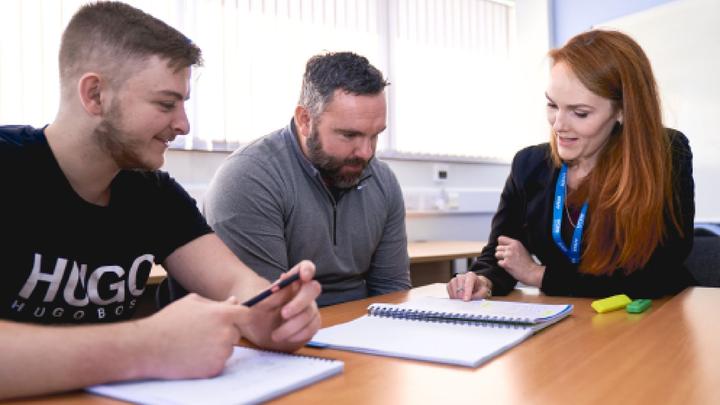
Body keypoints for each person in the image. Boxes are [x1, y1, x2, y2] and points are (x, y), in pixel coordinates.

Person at [0, 2, 321, 400]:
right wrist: (147, 344)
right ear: (95, 94)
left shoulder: (153, 192)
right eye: (166, 104)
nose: (183, 124)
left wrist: (272, 316)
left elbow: (237, 284)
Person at [448, 29, 695, 300]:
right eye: (552, 105)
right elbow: (502, 253)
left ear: (623, 110)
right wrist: (484, 279)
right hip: (568, 323)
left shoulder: (665, 155)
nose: (558, 125)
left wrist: (538, 275)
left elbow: (658, 274)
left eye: (580, 113)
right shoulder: (529, 165)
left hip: (650, 321)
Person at [203, 52, 411, 306]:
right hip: (278, 332)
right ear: (305, 120)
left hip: (360, 332)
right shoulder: (249, 178)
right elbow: (264, 309)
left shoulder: (383, 180)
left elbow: (392, 292)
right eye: (349, 135)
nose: (366, 153)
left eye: (375, 135)